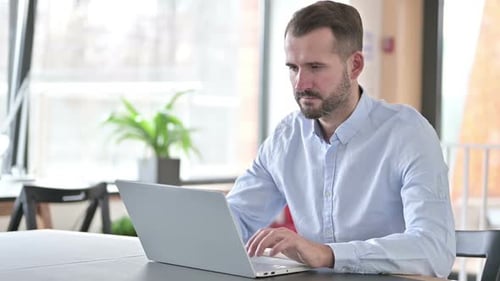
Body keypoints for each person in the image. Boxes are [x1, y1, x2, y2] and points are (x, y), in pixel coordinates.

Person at [226, 0, 455, 278]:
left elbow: (434, 250)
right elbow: (235, 217)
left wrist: (328, 254)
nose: (301, 84)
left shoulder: (408, 134)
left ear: (355, 65)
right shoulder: (286, 138)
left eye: (315, 67)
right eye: (293, 68)